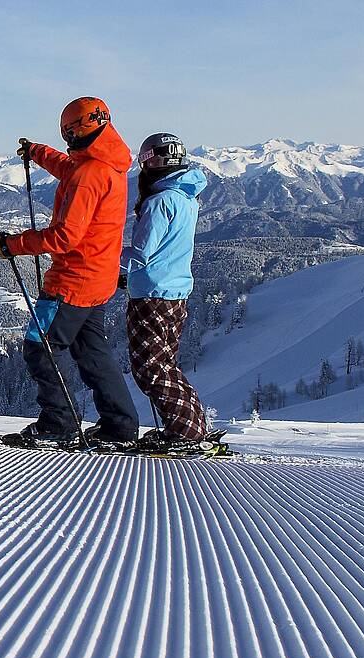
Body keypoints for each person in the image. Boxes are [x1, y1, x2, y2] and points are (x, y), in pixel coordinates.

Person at [0, 96, 139, 446]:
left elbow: (64, 236)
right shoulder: (106, 162)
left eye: (67, 134)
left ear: (76, 130)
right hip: (98, 279)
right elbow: (69, 168)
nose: (67, 141)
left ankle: (58, 423)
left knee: (39, 346)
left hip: (73, 280)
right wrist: (37, 153)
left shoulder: (90, 173)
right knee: (92, 352)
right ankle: (120, 425)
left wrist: (14, 245)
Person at [123, 133, 212, 446]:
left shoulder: (160, 202)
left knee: (149, 366)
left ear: (150, 163)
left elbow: (140, 253)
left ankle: (184, 431)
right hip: (174, 291)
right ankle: (192, 424)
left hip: (152, 293)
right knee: (163, 363)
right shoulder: (186, 197)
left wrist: (105, 265)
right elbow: (166, 249)